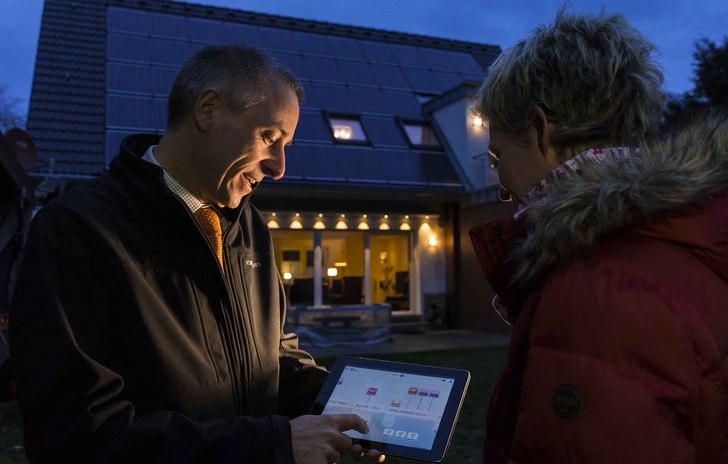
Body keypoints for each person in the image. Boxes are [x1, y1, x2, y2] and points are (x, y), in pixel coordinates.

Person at [9, 44, 383, 464]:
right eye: (270, 138)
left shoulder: (251, 226)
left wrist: (347, 410)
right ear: (208, 110)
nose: (279, 167)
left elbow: (273, 356)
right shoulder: (76, 230)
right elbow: (76, 433)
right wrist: (270, 445)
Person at [469, 10, 728, 463]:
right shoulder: (684, 238)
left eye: (498, 156)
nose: (503, 188)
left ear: (539, 127)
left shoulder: (595, 286)